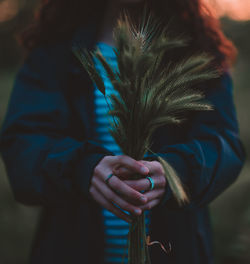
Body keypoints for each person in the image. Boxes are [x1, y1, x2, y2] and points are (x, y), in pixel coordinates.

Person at [0, 0, 245, 263]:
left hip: (175, 250)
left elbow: (224, 144)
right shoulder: (55, 48)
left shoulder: (198, 49)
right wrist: (82, 167)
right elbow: (23, 143)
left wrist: (176, 169)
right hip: (71, 248)